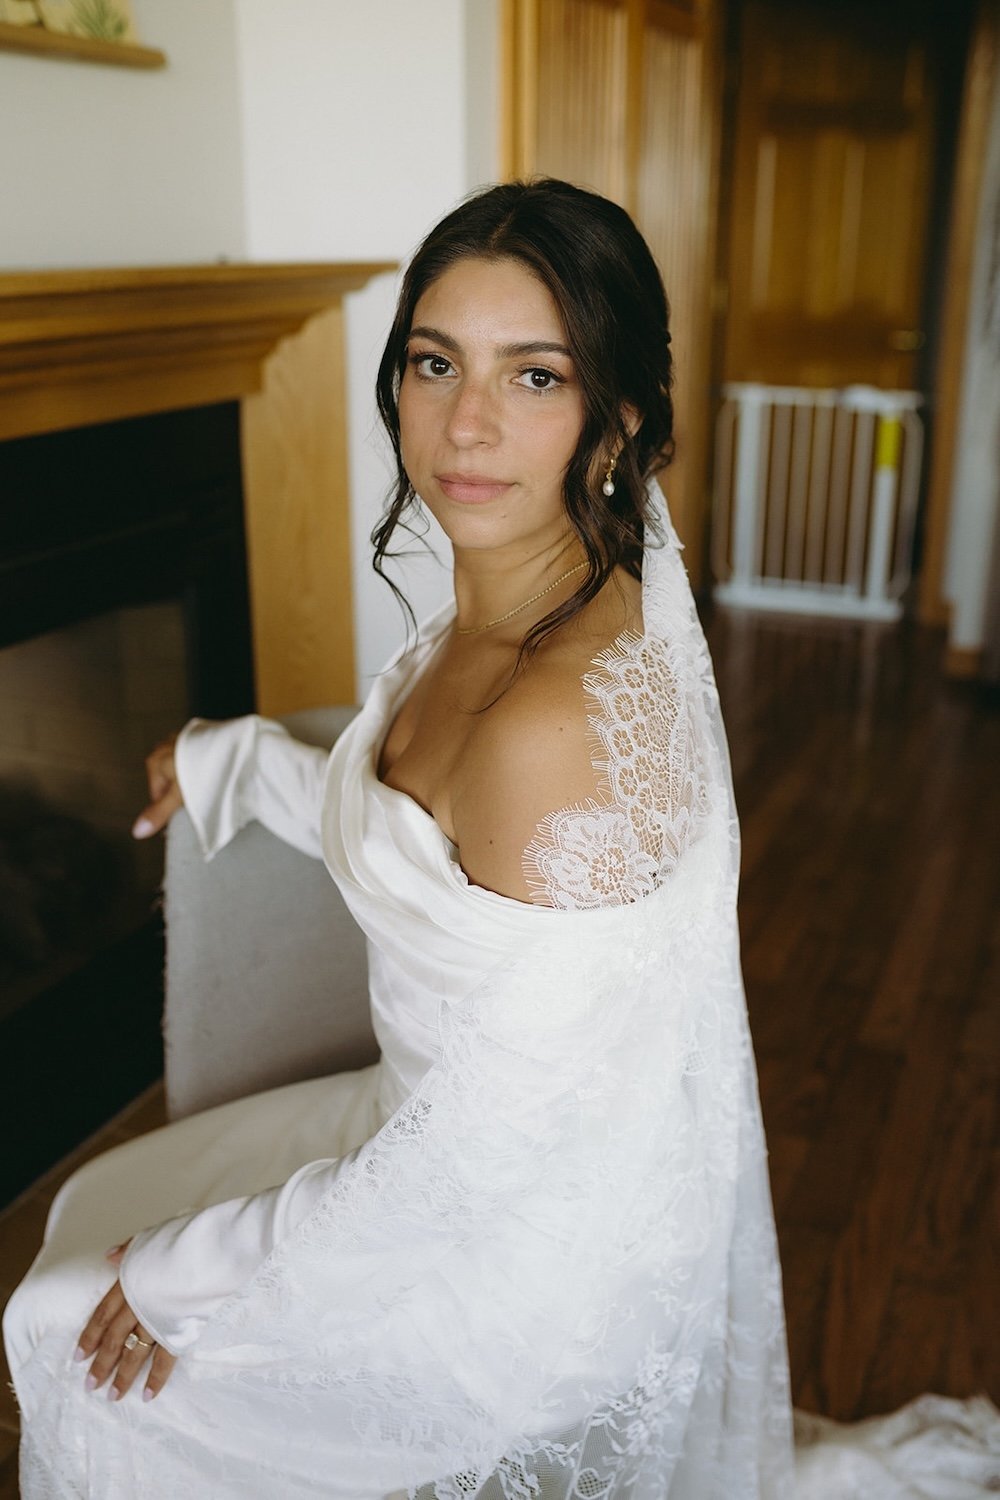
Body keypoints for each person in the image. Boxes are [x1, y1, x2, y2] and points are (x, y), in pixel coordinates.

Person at [4, 179, 998, 1500]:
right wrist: (230, 762)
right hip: (429, 1136)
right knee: (89, 1225)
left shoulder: (556, 727)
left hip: (509, 1257)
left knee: (66, 1323)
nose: (465, 425)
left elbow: (480, 1165)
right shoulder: (494, 619)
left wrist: (196, 1277)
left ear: (616, 419)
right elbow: (414, 835)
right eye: (435, 362)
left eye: (534, 376)